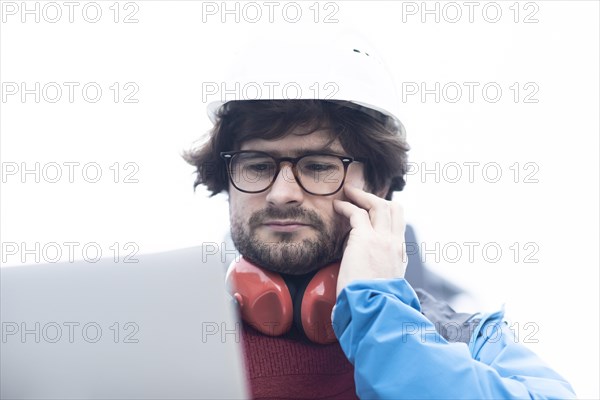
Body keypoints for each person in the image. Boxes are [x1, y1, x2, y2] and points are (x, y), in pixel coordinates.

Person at [184, 35, 576, 399]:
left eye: (318, 166)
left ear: (379, 188)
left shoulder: (469, 341)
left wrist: (381, 318)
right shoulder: (173, 341)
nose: (282, 193)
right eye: (256, 165)